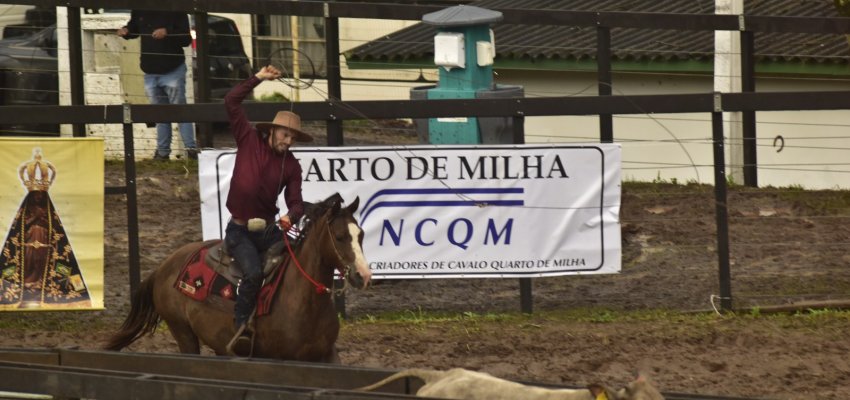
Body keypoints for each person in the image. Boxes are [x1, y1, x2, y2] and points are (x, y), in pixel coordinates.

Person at [222, 65, 313, 355]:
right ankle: (241, 328)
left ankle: (290, 318)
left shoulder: (293, 165)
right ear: (273, 131)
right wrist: (258, 78)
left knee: (299, 261)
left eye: (293, 138)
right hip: (239, 230)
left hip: (270, 228)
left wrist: (290, 216)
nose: (288, 142)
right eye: (285, 135)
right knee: (252, 273)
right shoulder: (248, 139)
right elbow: (231, 101)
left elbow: (296, 202)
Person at [117, 10, 198, 161]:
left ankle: (191, 149)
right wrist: (126, 31)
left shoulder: (175, 8)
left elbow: (186, 38)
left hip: (172, 69)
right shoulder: (140, 7)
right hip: (150, 70)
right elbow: (135, 27)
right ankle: (162, 152)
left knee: (180, 110)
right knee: (160, 114)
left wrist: (167, 32)